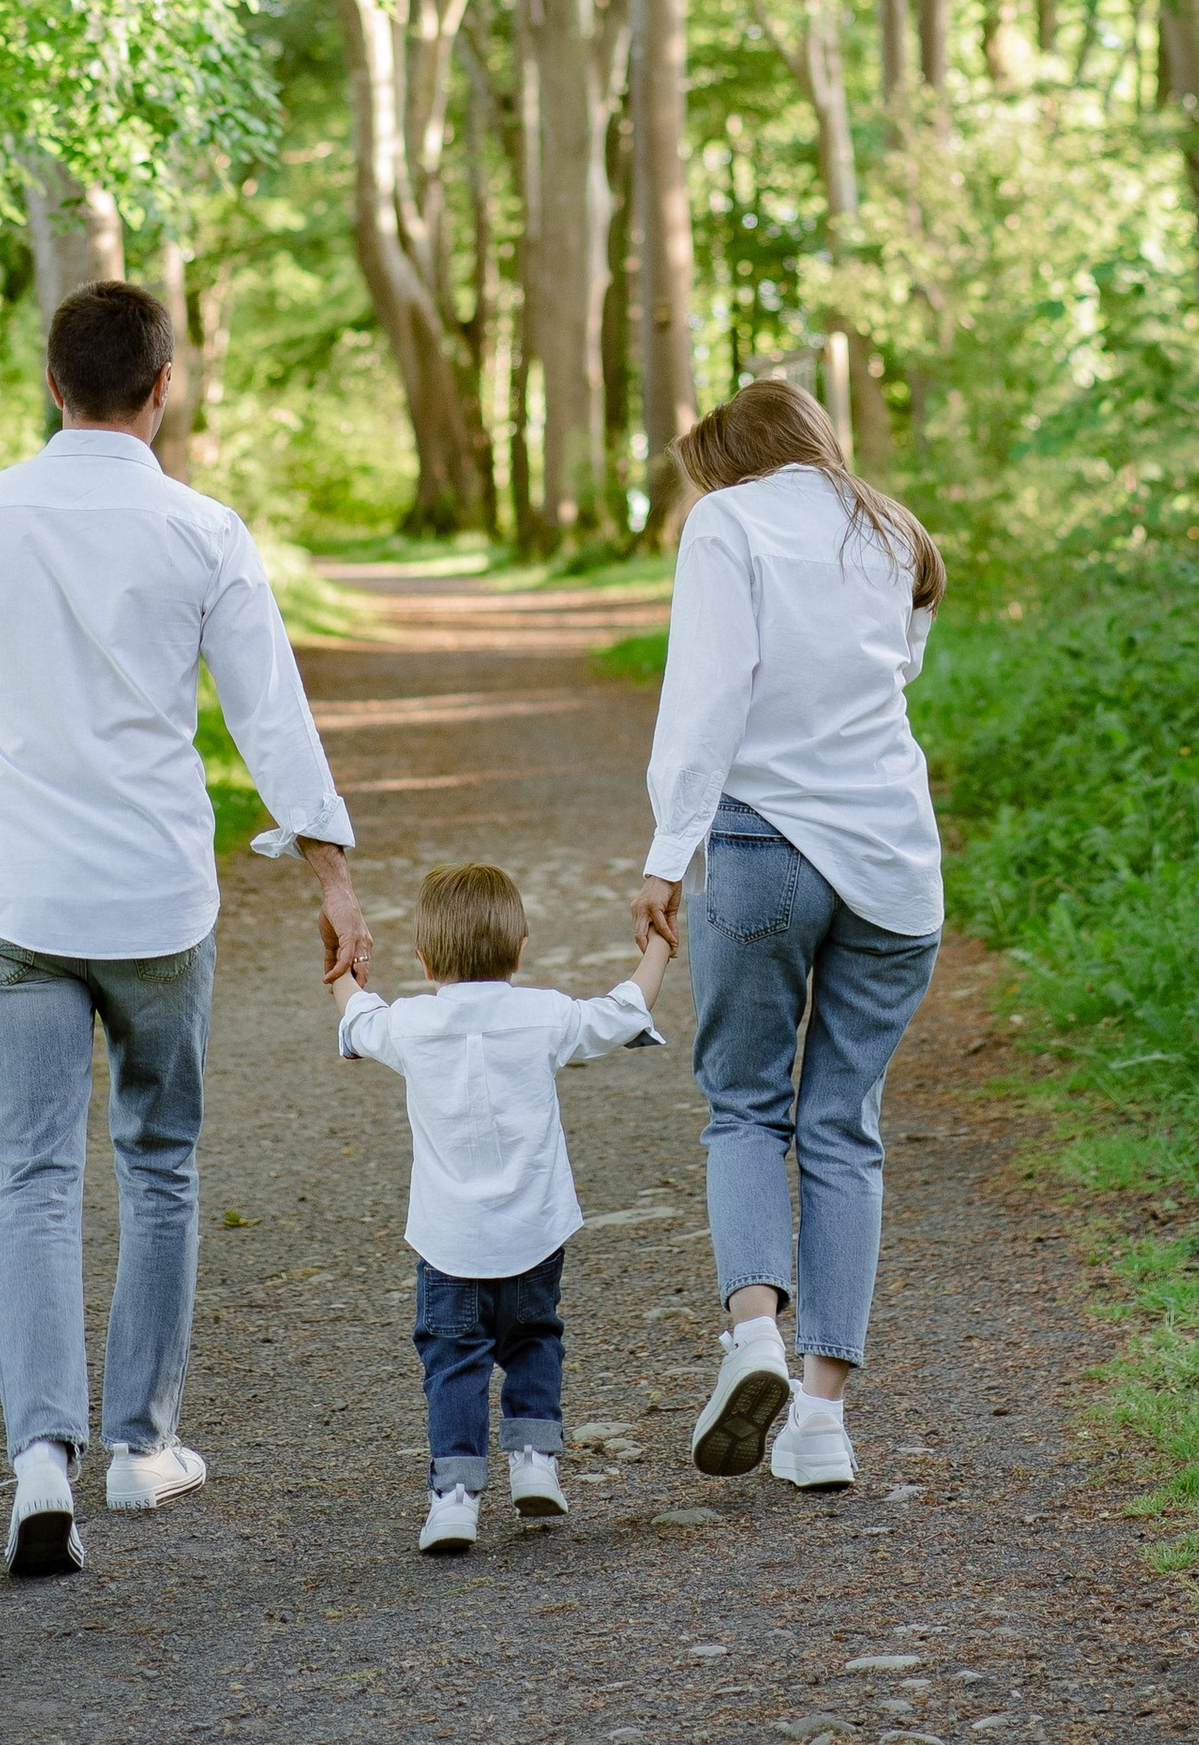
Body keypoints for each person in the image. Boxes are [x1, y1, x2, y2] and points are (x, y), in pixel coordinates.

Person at [0, 276, 369, 1580]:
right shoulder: (202, 531)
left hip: (18, 902)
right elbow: (270, 714)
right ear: (163, 389)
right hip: (154, 905)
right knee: (159, 1164)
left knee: (33, 1175)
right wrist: (329, 874)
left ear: (52, 385)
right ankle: (142, 1447)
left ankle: (42, 1460)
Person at [633, 377, 946, 1495]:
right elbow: (897, 671)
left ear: (731, 464)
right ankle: (820, 1424)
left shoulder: (726, 521)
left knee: (746, 1108)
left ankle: (753, 1335)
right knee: (843, 1126)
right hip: (892, 862)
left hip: (762, 845)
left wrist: (667, 853)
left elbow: (708, 694)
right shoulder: (896, 530)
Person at [337, 856, 671, 1555]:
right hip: (535, 1232)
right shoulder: (544, 1015)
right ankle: (534, 1460)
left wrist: (343, 963)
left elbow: (358, 1016)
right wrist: (660, 947)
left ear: (424, 959)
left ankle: (454, 1500)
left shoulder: (410, 1024)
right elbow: (622, 1013)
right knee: (534, 1339)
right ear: (520, 950)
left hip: (449, 1243)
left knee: (453, 1362)